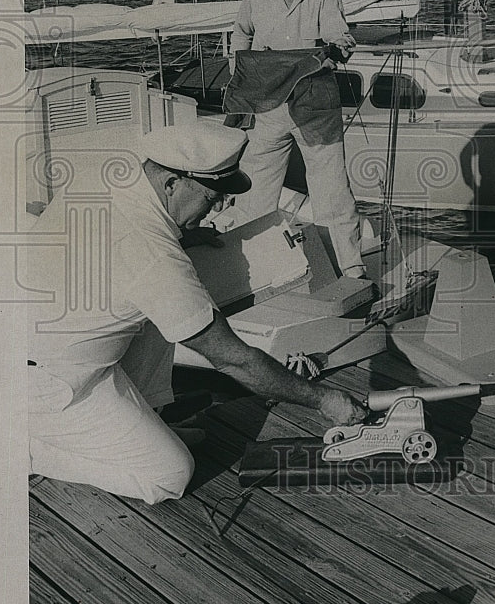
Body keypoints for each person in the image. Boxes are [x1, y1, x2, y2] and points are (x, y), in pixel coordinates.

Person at [27, 122, 365, 505]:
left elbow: (115, 246)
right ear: (171, 183)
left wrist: (182, 235)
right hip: (48, 384)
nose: (218, 208)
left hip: (33, 344)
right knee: (170, 475)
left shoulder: (111, 178)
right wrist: (323, 399)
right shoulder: (153, 256)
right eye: (212, 197)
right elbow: (233, 360)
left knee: (172, 314)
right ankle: (24, 450)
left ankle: (147, 422)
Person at [229, 0, 367, 278]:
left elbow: (340, 35)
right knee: (255, 191)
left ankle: (350, 267)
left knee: (332, 190)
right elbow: (241, 31)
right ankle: (249, 270)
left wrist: (337, 49)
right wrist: (240, 70)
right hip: (268, 106)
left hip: (314, 105)